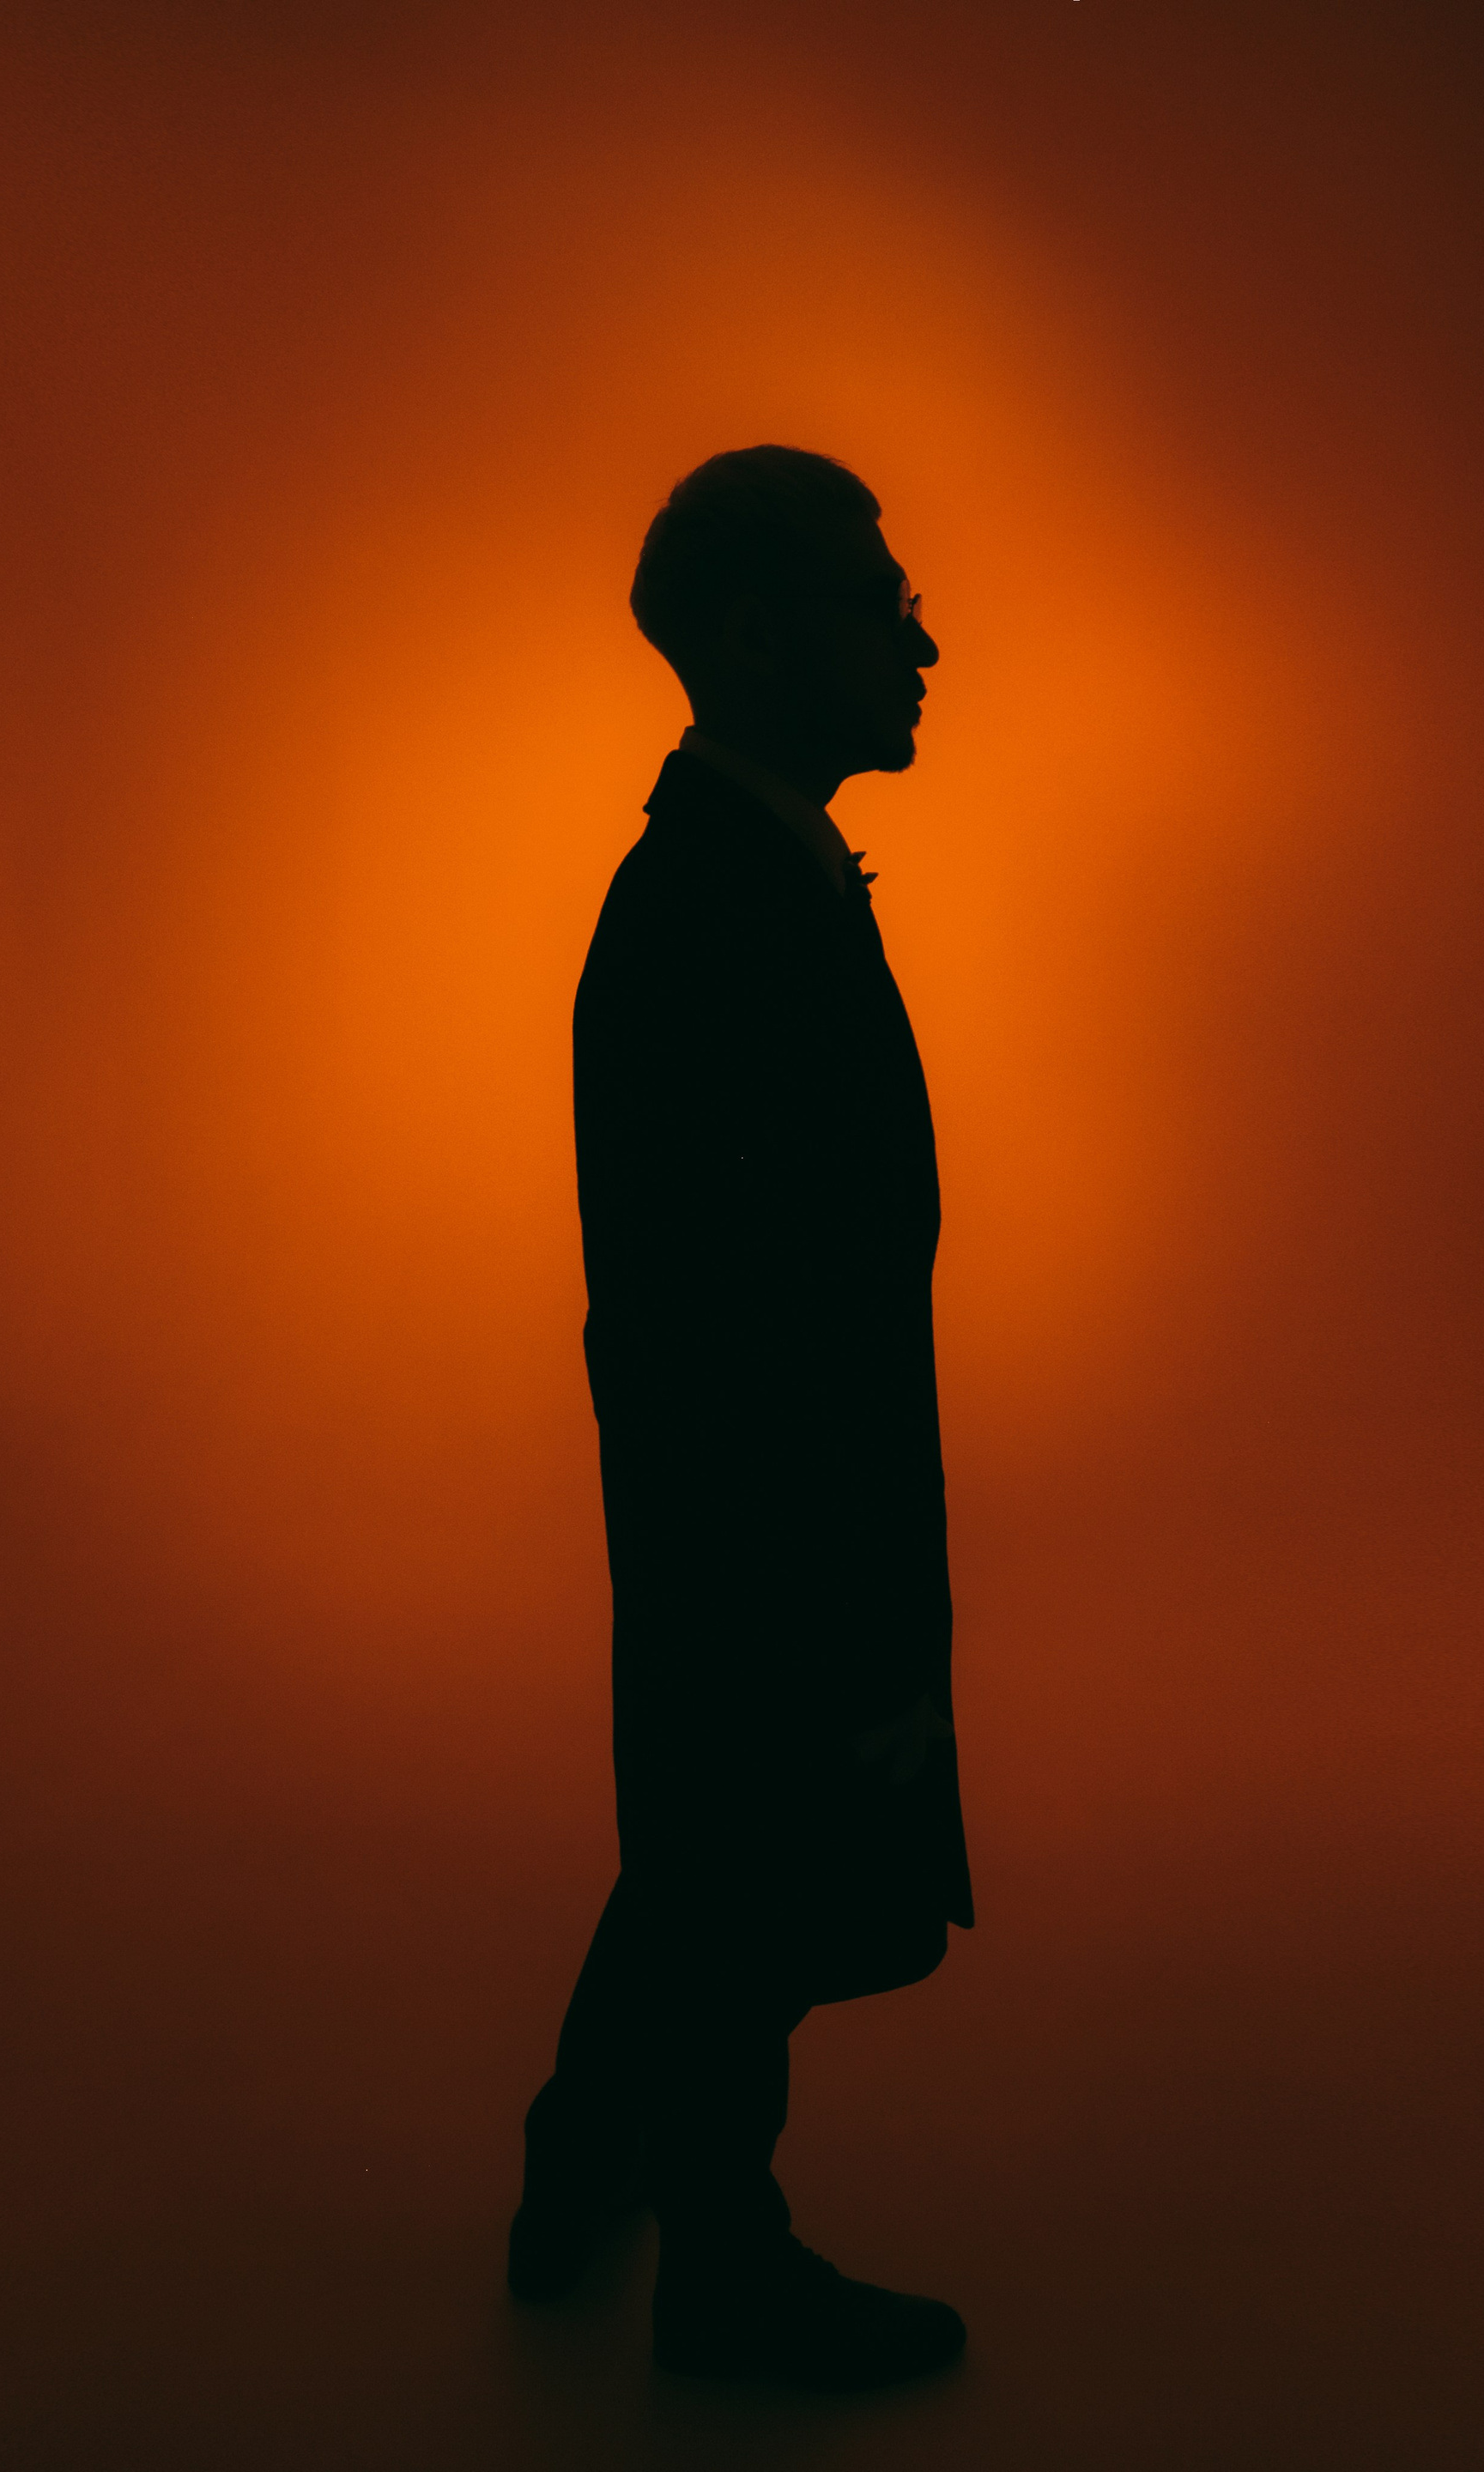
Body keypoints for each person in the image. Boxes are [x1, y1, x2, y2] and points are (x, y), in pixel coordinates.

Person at [508, 445, 973, 2391]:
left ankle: (583, 2160)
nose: (923, 642)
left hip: (746, 1492)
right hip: (768, 1500)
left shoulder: (734, 869)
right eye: (883, 601)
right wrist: (831, 1560)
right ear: (763, 635)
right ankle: (725, 2267)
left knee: (709, 1829)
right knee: (742, 1850)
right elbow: (740, 1295)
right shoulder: (720, 905)